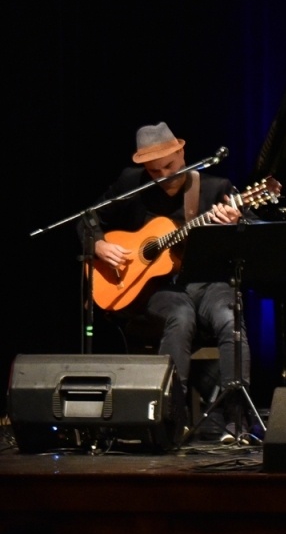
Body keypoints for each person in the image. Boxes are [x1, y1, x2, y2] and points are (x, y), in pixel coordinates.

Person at [81, 122, 249, 439]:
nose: (164, 177)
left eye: (169, 166)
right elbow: (89, 218)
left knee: (231, 318)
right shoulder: (132, 183)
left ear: (181, 151)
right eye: (154, 171)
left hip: (209, 284)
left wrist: (237, 222)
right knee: (181, 317)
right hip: (160, 291)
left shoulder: (215, 188)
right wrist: (99, 245)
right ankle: (172, 421)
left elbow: (250, 238)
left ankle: (236, 423)